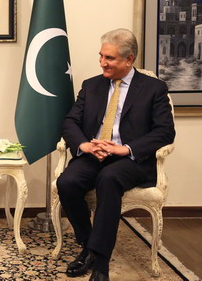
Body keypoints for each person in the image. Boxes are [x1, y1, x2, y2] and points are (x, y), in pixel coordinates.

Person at [56, 28, 175, 281]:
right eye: (101, 56)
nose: (102, 62)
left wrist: (126, 148)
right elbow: (69, 122)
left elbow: (165, 132)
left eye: (109, 58)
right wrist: (85, 145)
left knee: (108, 179)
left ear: (129, 59)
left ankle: (100, 265)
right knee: (66, 182)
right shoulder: (92, 85)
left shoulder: (154, 88)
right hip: (94, 154)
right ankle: (89, 245)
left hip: (130, 160)